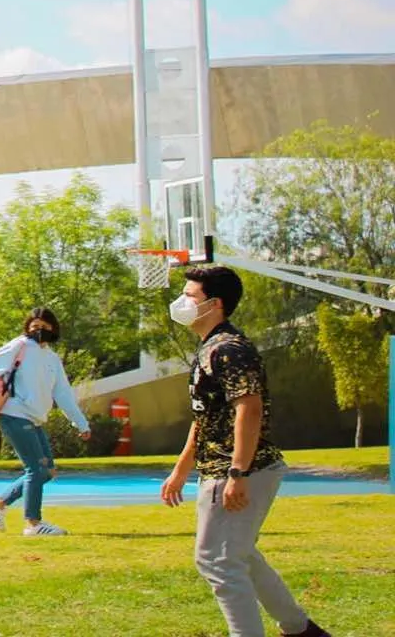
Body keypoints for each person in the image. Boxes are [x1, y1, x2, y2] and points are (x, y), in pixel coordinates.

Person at [160, 266, 331, 637]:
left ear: (214, 304)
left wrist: (238, 473)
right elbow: (205, 418)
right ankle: (300, 629)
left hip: (237, 472)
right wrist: (180, 470)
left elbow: (248, 408)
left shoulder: (230, 350)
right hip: (224, 470)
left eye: (190, 295)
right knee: (240, 556)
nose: (182, 302)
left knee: (218, 562)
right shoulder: (210, 348)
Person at [0, 307, 90, 536]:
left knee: (47, 471)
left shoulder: (52, 359)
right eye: (34, 327)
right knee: (36, 469)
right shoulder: (19, 346)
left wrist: (81, 423)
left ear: (53, 329)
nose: (39, 331)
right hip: (15, 414)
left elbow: (63, 393)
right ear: (27, 328)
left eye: (44, 327)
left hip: (34, 418)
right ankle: (33, 524)